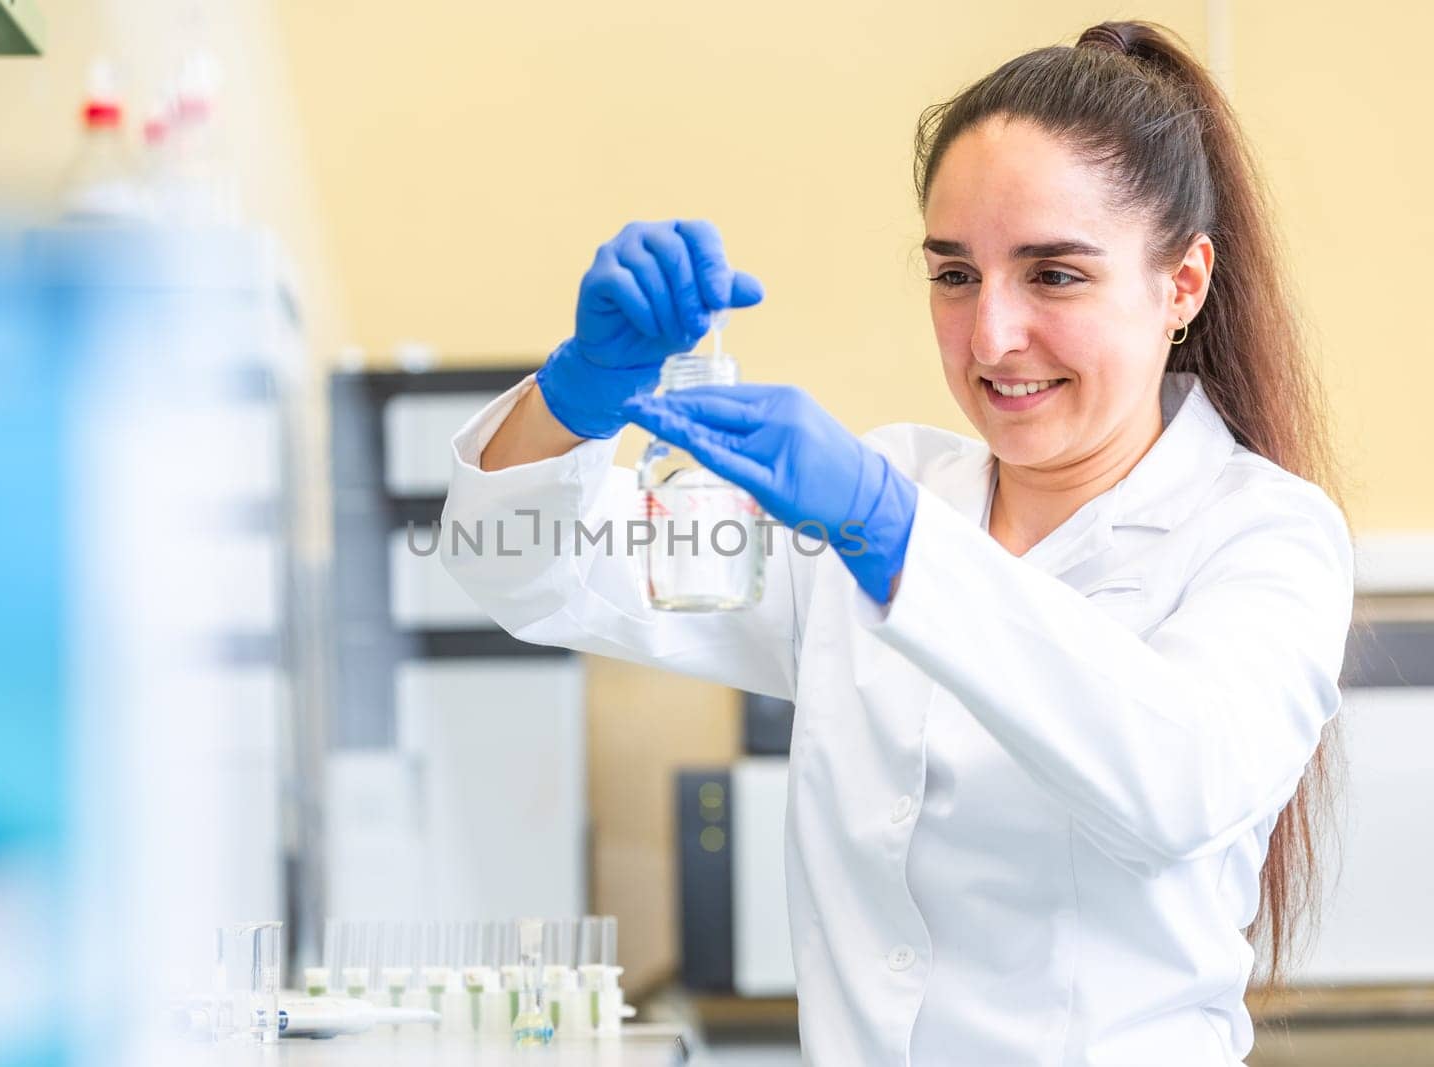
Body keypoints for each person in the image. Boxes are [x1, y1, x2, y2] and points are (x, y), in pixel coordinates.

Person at [440, 20, 1352, 1065]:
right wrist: (579, 394)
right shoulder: (885, 491)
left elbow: (1178, 781)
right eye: (955, 275)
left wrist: (889, 532)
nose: (991, 336)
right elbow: (525, 576)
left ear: (1180, 283)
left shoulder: (1262, 536)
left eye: (1053, 275)